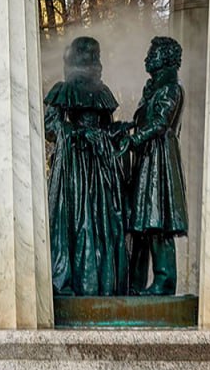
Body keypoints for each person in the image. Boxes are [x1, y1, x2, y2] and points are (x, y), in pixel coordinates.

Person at [45, 36, 128, 296]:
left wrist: (116, 132)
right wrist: (80, 134)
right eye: (92, 56)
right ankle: (76, 282)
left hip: (100, 166)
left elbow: (106, 124)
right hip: (74, 166)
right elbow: (51, 126)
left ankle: (103, 284)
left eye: (97, 56)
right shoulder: (63, 90)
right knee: (77, 222)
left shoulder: (103, 92)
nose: (96, 62)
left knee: (104, 221)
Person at [118, 36, 189, 296]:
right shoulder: (155, 88)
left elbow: (160, 123)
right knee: (142, 224)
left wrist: (134, 139)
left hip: (160, 160)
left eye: (152, 54)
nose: (147, 59)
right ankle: (135, 283)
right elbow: (144, 120)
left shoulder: (170, 89)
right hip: (148, 159)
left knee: (158, 223)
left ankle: (164, 281)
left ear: (166, 58)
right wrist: (125, 131)